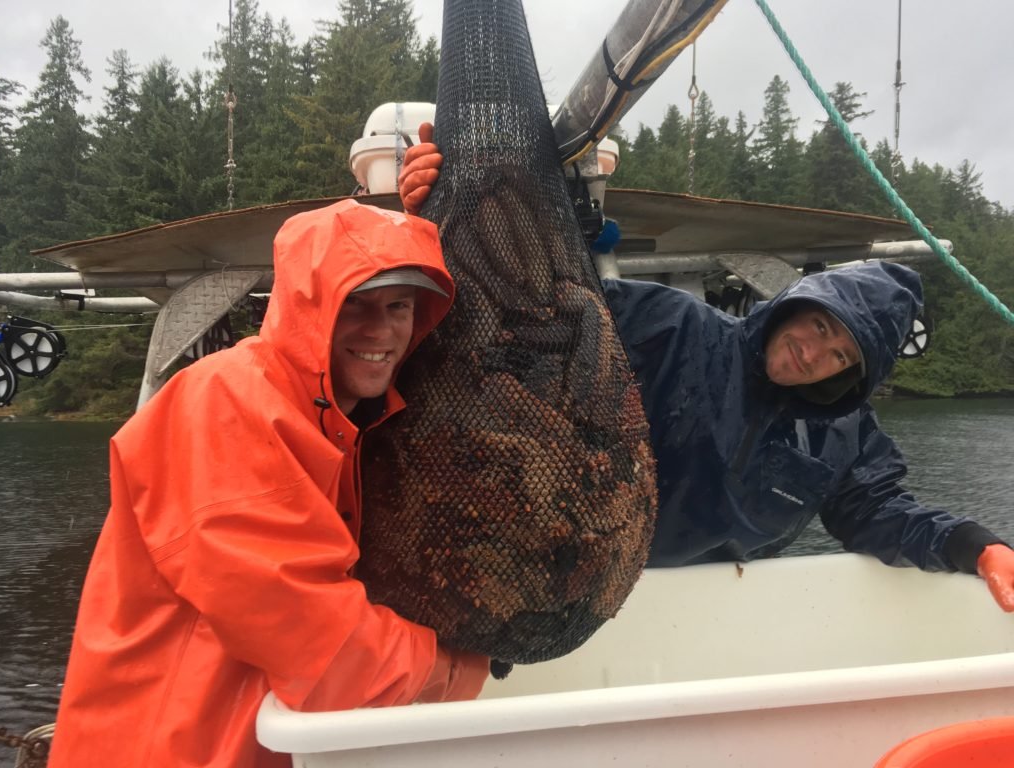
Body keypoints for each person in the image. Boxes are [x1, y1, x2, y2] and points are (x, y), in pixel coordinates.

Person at [398, 126, 1014, 612]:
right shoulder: (667, 325)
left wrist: (975, 545)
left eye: (841, 356)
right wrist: (446, 208)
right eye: (820, 326)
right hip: (561, 577)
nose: (813, 353)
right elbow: (528, 306)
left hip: (710, 612)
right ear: (798, 304)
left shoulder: (846, 435)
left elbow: (878, 512)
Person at [48, 200, 490, 768]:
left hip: (250, 741)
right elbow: (317, 640)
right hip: (165, 747)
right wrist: (456, 668)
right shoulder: (228, 403)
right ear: (307, 307)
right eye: (354, 304)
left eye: (399, 306)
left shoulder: (345, 420)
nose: (380, 330)